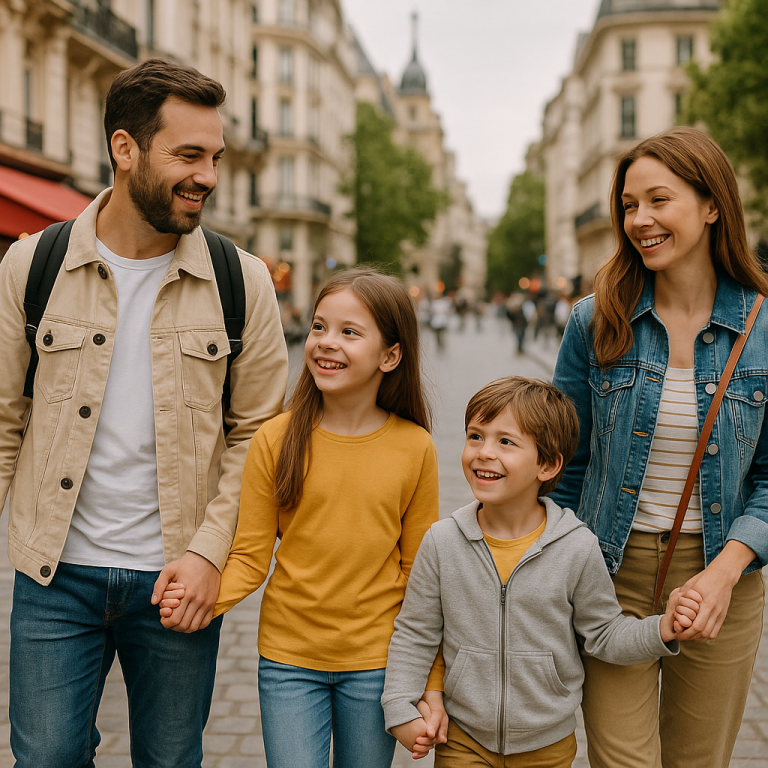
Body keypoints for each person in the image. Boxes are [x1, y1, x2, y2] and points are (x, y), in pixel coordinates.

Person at [0, 58, 288, 767]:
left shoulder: (240, 280)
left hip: (179, 577)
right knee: (44, 758)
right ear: (124, 149)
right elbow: (6, 416)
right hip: (54, 575)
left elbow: (258, 434)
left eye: (215, 156)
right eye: (188, 155)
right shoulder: (31, 265)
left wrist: (208, 554)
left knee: (169, 760)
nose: (209, 176)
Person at [164, 268, 445, 767]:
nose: (325, 342)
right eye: (319, 326)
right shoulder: (276, 438)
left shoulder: (415, 448)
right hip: (288, 661)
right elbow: (250, 557)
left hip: (376, 666)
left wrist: (428, 681)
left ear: (390, 355)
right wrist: (195, 602)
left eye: (349, 332)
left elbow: (421, 581)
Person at [551, 126, 768, 768]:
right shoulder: (597, 320)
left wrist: (726, 573)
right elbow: (564, 463)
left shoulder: (762, 329)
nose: (638, 219)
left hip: (721, 575)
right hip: (608, 572)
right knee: (622, 760)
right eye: (628, 205)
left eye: (657, 200)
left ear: (711, 206)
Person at [382, 377, 700, 767]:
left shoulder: (576, 547)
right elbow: (416, 631)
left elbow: (603, 633)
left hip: (546, 748)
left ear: (547, 465)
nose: (483, 453)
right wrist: (400, 708)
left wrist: (661, 628)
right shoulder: (442, 541)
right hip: (463, 739)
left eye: (506, 442)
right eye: (475, 436)